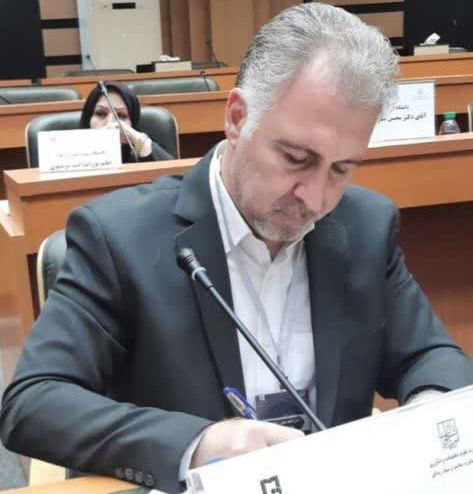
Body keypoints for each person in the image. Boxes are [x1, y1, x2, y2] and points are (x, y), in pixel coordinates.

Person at [1, 4, 472, 493]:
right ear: (237, 117)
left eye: (341, 169)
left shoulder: (364, 225)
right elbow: (33, 403)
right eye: (296, 158)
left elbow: (432, 356)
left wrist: (429, 414)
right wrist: (199, 443)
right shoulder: (118, 236)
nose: (316, 199)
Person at [80, 81, 173, 162]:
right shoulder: (74, 149)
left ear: (132, 122)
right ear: (88, 118)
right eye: (100, 113)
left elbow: (174, 175)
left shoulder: (138, 149)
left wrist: (141, 142)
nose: (110, 123)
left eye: (121, 116)